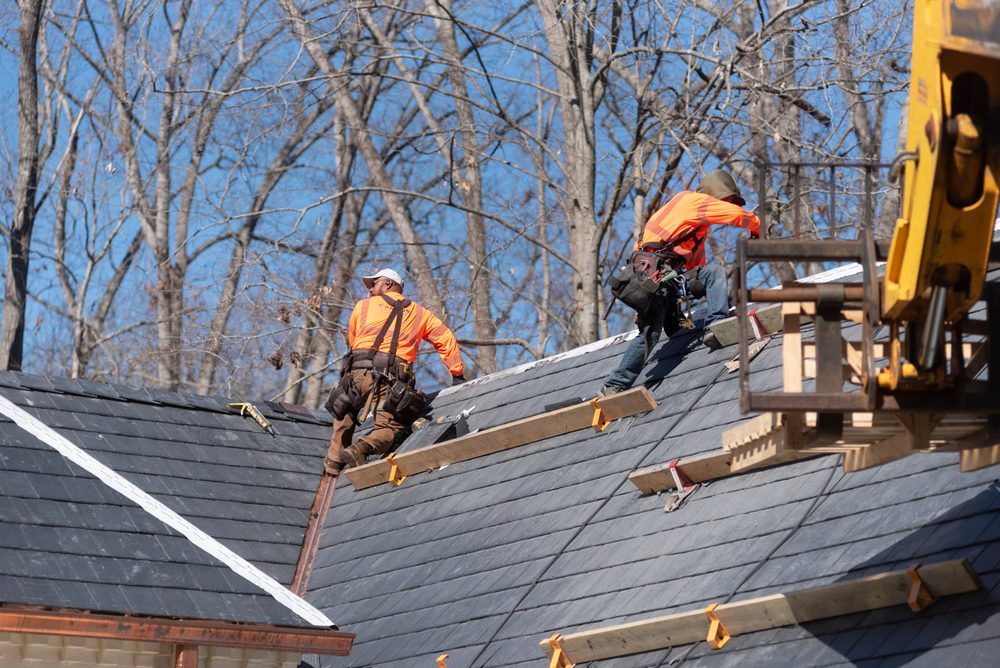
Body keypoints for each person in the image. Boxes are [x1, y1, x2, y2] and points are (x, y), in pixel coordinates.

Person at [600, 170, 760, 395]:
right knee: (713, 273)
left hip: (654, 279)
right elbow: (735, 215)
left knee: (651, 333)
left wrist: (719, 295)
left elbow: (697, 271)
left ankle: (614, 385)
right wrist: (758, 225)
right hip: (659, 277)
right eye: (729, 200)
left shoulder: (690, 224)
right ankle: (716, 326)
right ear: (718, 193)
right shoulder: (695, 202)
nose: (730, 204)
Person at [324, 268, 465, 475]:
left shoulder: (362, 307)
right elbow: (445, 338)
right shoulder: (421, 314)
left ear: (388, 284)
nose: (370, 289)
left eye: (374, 284)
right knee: (391, 428)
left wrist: (361, 369)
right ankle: (360, 449)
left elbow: (353, 342)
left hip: (357, 372)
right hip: (393, 382)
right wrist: (457, 374)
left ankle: (334, 463)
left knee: (345, 408)